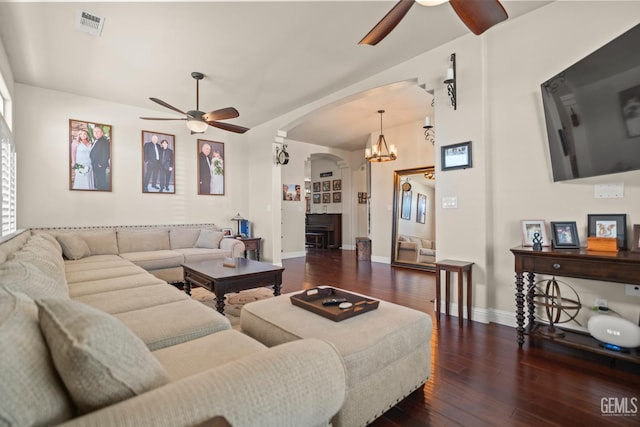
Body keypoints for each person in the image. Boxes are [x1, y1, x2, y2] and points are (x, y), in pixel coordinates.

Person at [89, 125, 110, 191]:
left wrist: (101, 164)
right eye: (94, 132)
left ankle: (102, 192)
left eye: (98, 131)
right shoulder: (96, 141)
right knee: (98, 180)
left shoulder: (104, 141)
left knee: (101, 181)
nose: (96, 133)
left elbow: (106, 153)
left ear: (102, 133)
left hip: (100, 165)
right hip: (95, 164)